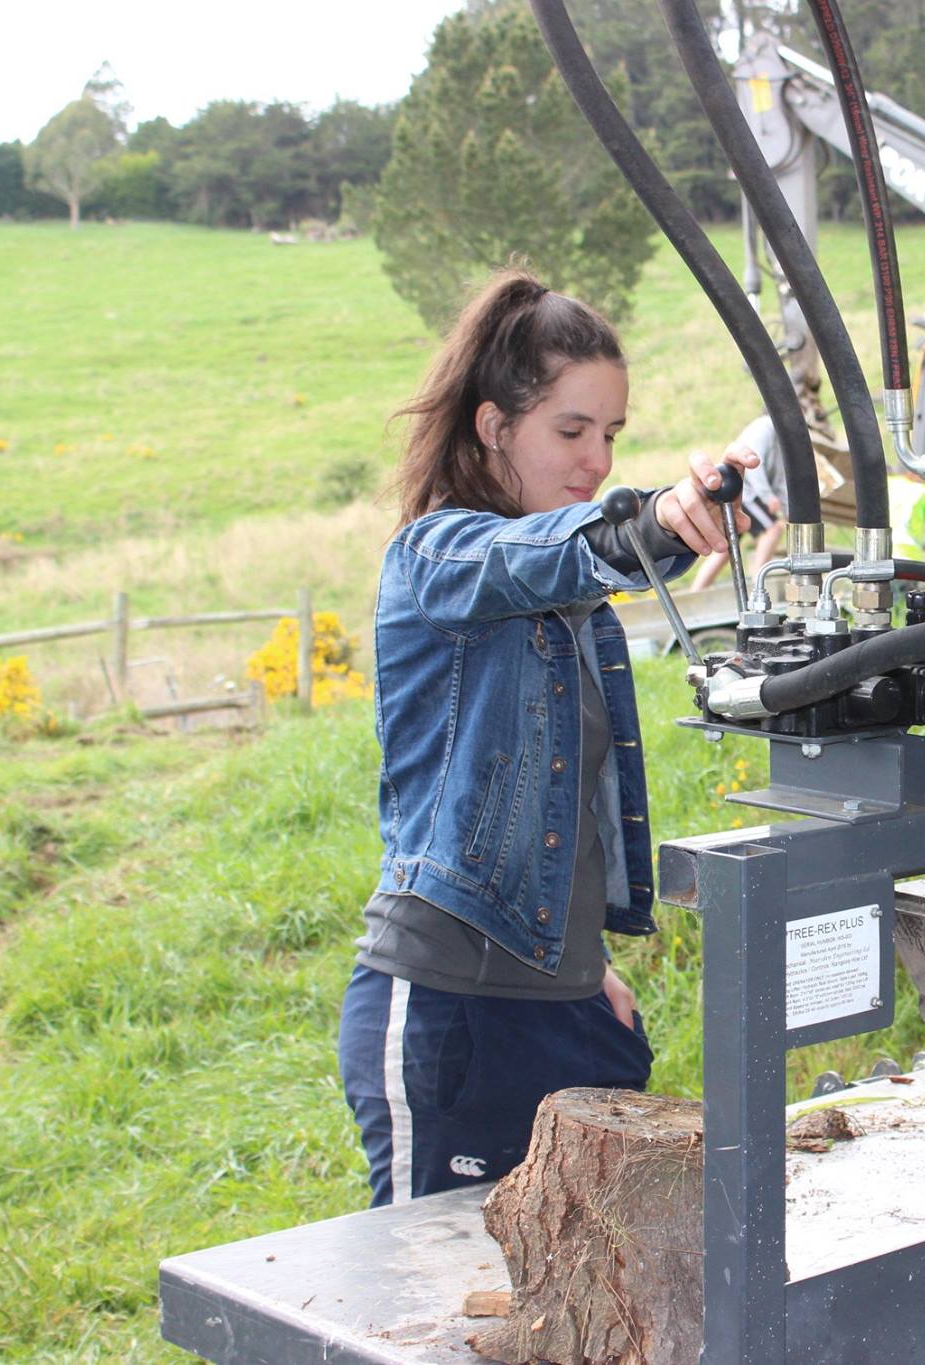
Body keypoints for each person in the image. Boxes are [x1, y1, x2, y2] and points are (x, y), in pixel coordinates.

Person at [337, 268, 754, 1206]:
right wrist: (648, 525)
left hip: (568, 1009)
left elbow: (560, 807)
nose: (598, 459)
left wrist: (583, 964)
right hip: (457, 1011)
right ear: (493, 427)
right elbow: (547, 552)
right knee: (430, 1309)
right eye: (572, 431)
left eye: (610, 435)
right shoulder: (438, 556)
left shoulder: (578, 611)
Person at [689, 412, 788, 591]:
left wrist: (790, 512)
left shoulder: (780, 437)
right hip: (744, 490)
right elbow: (752, 465)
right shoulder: (765, 427)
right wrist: (767, 497)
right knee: (772, 530)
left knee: (726, 547)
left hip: (748, 490)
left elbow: (781, 480)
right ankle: (758, 585)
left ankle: (697, 591)